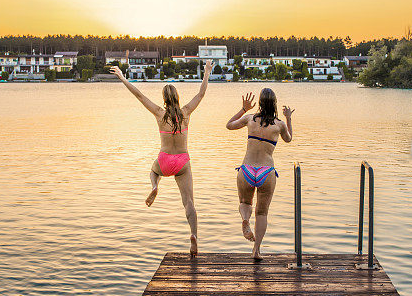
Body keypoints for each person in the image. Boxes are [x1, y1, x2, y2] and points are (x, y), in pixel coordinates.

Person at [111, 59, 212, 256]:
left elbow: (139, 95)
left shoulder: (159, 113)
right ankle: (194, 236)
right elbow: (201, 93)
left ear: (164, 99)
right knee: (189, 202)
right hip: (182, 161)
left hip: (164, 160)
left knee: (153, 170)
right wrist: (207, 71)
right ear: (177, 97)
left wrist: (122, 77)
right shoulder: (186, 113)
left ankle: (155, 185)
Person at [226, 88, 293, 261]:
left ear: (261, 103)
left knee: (244, 202)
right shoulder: (279, 125)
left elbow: (229, 125)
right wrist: (289, 118)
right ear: (275, 104)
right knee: (262, 213)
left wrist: (244, 109)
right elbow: (289, 139)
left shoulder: (250, 119)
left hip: (247, 169)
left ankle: (245, 220)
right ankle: (256, 250)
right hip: (266, 171)